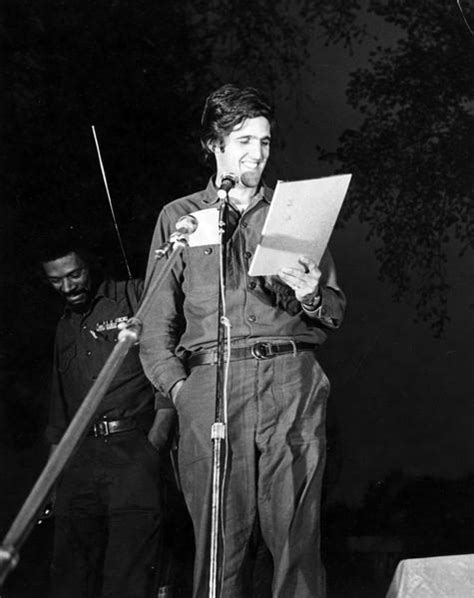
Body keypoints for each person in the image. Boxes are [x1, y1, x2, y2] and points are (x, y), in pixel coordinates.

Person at [139, 84, 346, 598]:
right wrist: (183, 392)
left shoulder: (294, 213)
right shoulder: (181, 218)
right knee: (218, 547)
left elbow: (335, 312)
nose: (257, 154)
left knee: (297, 541)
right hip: (211, 386)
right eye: (243, 141)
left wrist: (311, 291)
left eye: (266, 142)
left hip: (290, 382)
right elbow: (153, 326)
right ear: (213, 144)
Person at [41, 238, 175, 598]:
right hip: (79, 462)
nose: (68, 287)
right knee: (70, 575)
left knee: (129, 575)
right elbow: (60, 410)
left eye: (75, 274)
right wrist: (54, 482)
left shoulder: (134, 297)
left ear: (90, 264)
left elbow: (168, 359)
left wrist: (155, 442)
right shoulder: (63, 328)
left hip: (133, 450)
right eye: (56, 281)